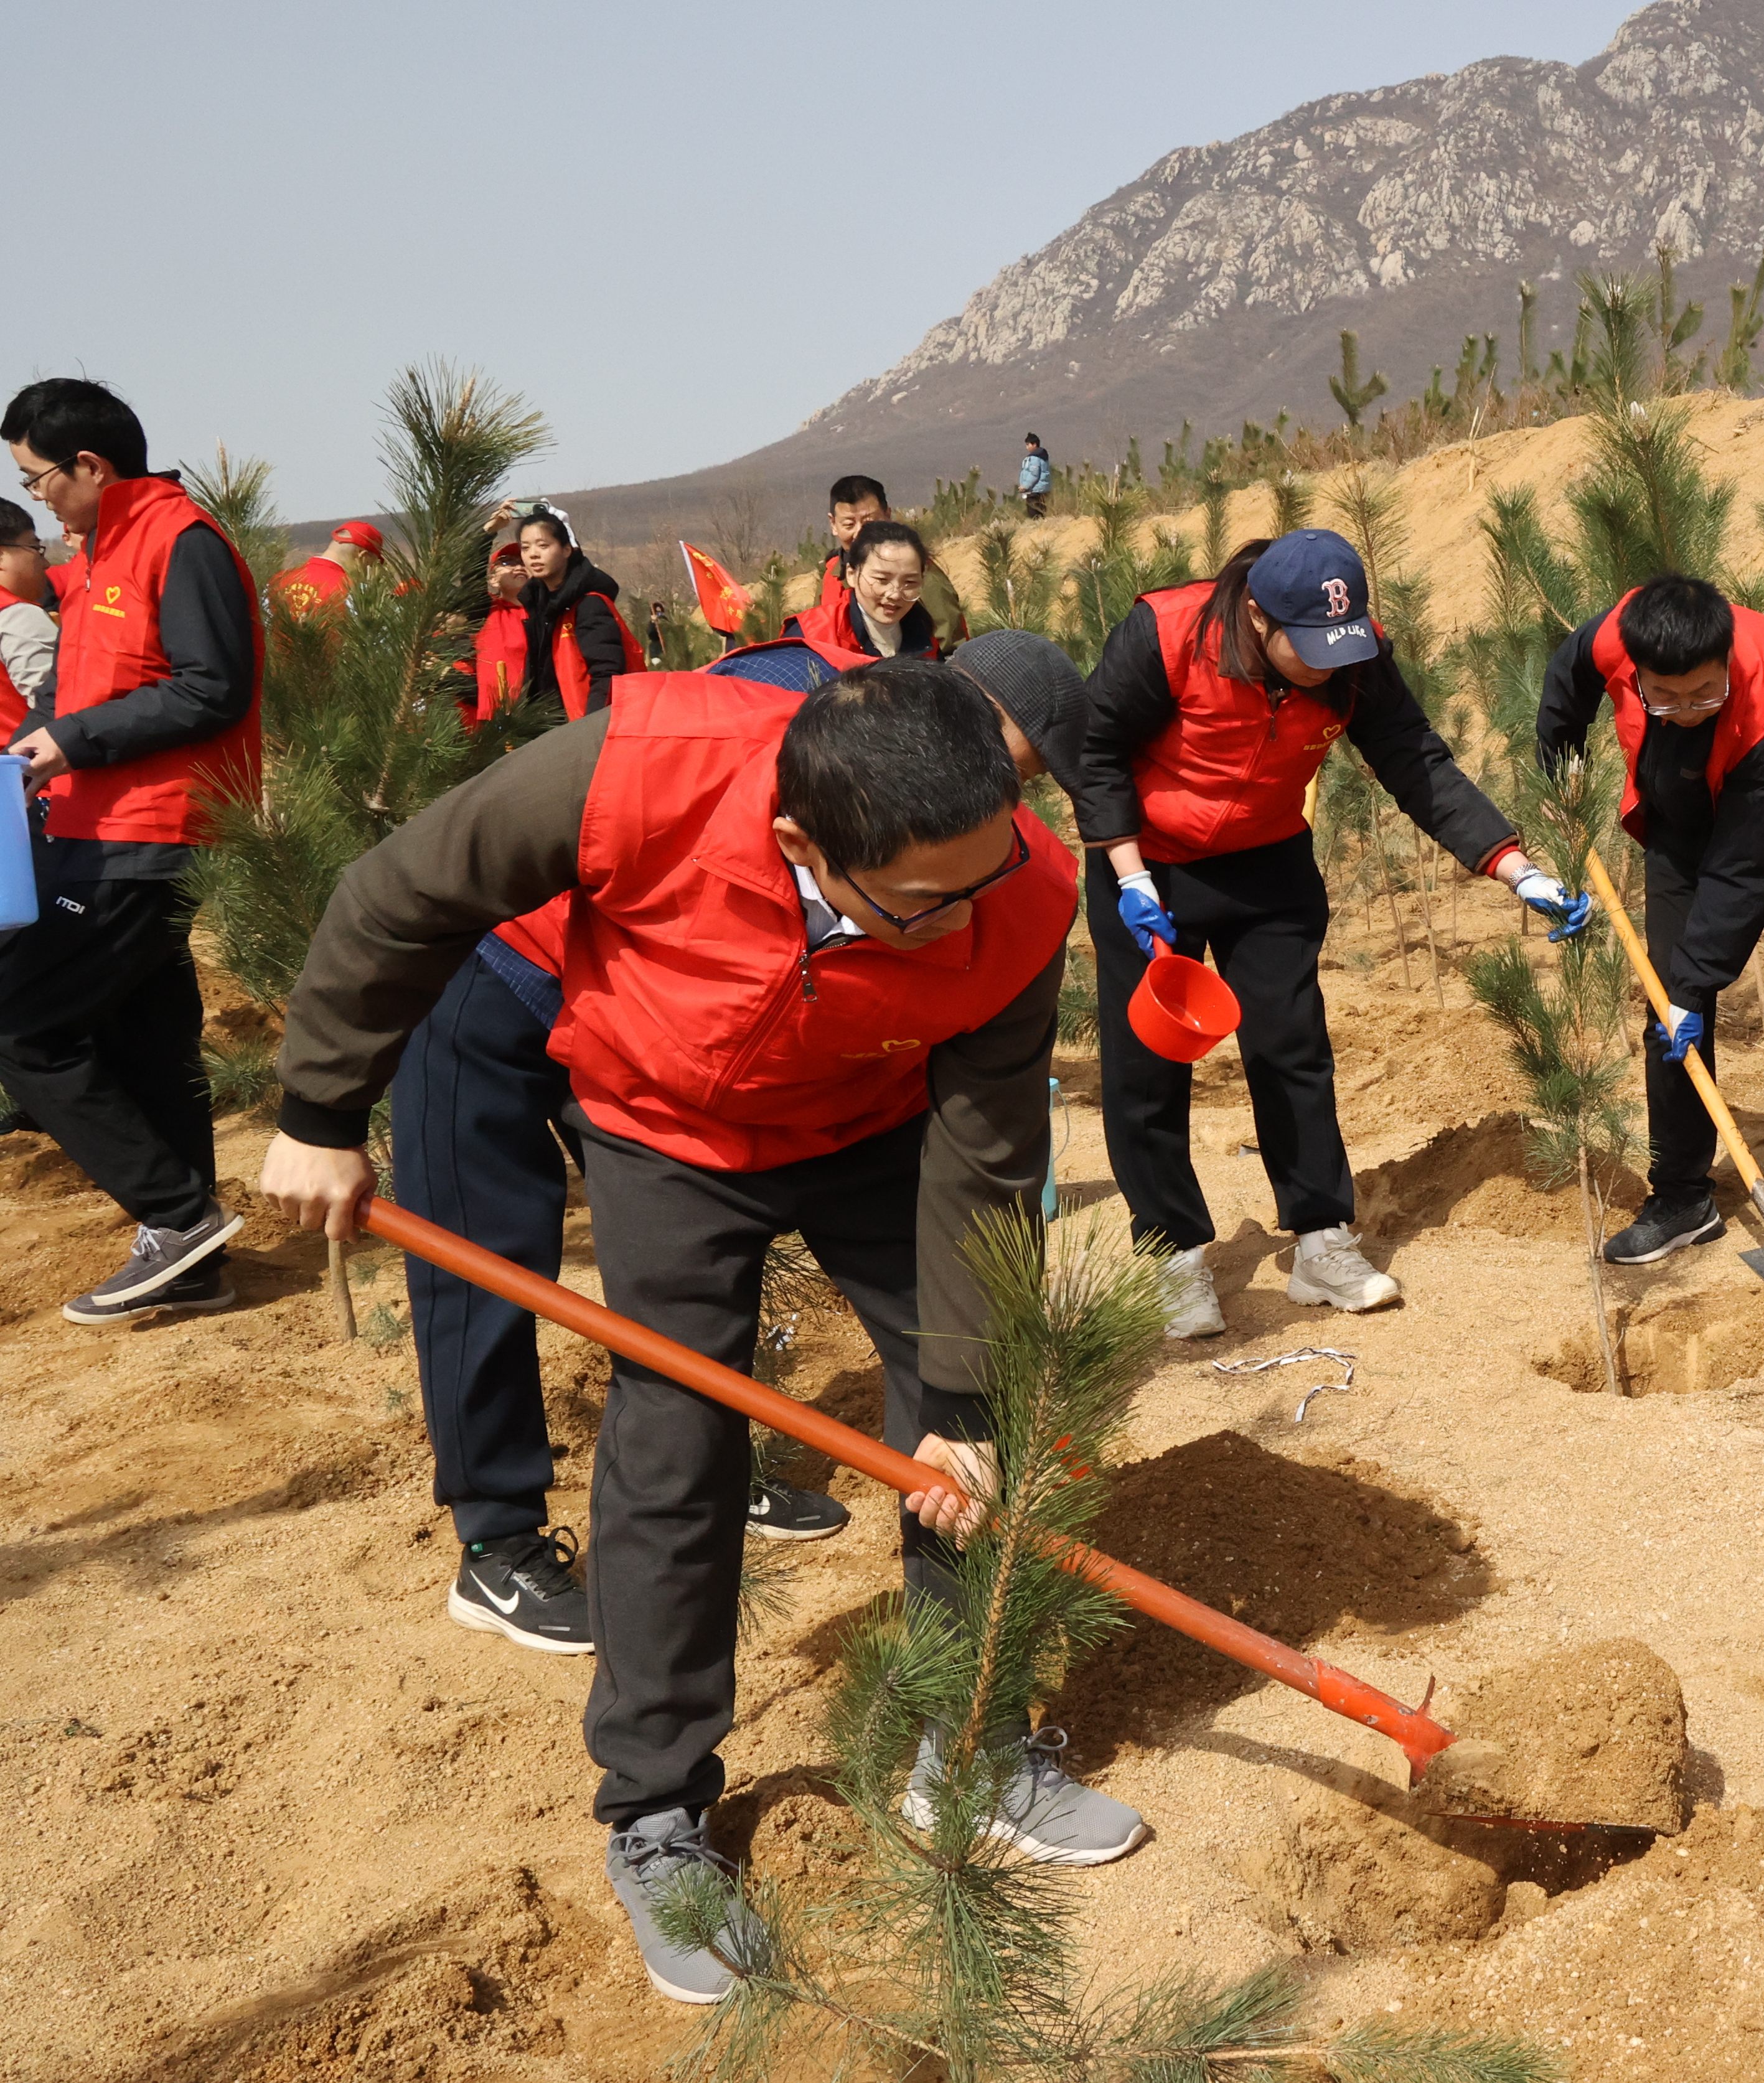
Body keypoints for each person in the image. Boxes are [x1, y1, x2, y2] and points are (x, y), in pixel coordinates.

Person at [263, 654, 1148, 2005]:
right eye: (922, 901)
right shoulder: (643, 763)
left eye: (984, 877)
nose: (961, 916)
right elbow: (402, 891)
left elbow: (985, 1153)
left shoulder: (1013, 894)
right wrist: (320, 1112)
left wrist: (962, 1403)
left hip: (873, 1126)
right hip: (662, 1125)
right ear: (802, 841)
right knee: (676, 1446)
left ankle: (964, 1745)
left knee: (984, 1408)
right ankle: (656, 1814)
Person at [388, 625, 1084, 1662]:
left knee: (692, 1270)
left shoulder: (947, 861)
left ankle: (725, 1454)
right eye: (1001, 767)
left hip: (695, 1021)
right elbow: (548, 828)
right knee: (486, 1258)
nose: (991, 817)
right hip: (517, 972)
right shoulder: (770, 708)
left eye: (1015, 794)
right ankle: (499, 1538)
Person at [1079, 527, 1588, 1337]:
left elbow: (1415, 759)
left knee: (1292, 1047)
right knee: (1148, 1065)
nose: (1325, 664)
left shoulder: (1351, 655)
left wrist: (1514, 866)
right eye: (1306, 647)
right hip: (1150, 864)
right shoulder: (1167, 632)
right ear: (1254, 614)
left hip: (1267, 862)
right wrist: (1131, 876)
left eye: (1339, 647)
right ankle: (1170, 1256)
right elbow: (1095, 749)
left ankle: (1321, 1240)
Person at [0, 378, 262, 1324]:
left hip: (149, 836)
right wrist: (35, 739)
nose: (38, 497)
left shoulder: (179, 539)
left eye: (39, 480)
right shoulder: (106, 547)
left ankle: (175, 1212)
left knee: (21, 1020)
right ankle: (191, 1261)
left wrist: (76, 740)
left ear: (91, 466)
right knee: (148, 1043)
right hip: (94, 827)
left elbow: (212, 689)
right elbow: (79, 688)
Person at [1538, 573, 1764, 1265]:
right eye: (1664, 695)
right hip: (1689, 812)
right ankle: (1682, 1196)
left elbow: (1747, 865)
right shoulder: (1614, 637)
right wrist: (1560, 769)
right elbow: (1566, 681)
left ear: (1726, 660)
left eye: (1705, 692)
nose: (1688, 707)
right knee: (1665, 1005)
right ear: (1638, 672)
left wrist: (1698, 986)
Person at [515, 507, 640, 717]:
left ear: (567, 549)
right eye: (525, 548)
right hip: (545, 727)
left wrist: (591, 729)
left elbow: (607, 674)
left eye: (543, 545)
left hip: (582, 728)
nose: (533, 554)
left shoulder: (589, 604)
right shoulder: (537, 606)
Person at [787, 520, 965, 660]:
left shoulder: (921, 629)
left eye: (910, 582)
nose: (895, 594)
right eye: (882, 580)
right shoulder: (812, 634)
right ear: (851, 574)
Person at [0, 497, 56, 740]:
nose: (45, 563)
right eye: (35, 548)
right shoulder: (17, 616)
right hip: (19, 769)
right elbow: (63, 708)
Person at [465, 538, 529, 723]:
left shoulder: (546, 613)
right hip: (495, 718)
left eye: (523, 562)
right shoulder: (487, 611)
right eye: (508, 562)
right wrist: (487, 534)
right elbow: (471, 576)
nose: (518, 567)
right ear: (493, 579)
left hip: (539, 717)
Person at [267, 519, 383, 617]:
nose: (368, 573)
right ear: (363, 556)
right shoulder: (354, 592)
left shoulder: (277, 580)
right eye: (371, 565)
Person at [816, 473, 890, 605]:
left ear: (888, 516)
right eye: (849, 525)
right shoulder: (830, 575)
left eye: (869, 523)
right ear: (833, 524)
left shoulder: (913, 570)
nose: (859, 533)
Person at [1018, 434, 1053, 519]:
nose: (1027, 447)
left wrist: (1025, 486)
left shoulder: (1035, 458)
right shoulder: (1042, 457)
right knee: (1042, 512)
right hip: (1042, 489)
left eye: (1028, 445)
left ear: (1034, 445)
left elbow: (1034, 474)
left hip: (1035, 491)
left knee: (1034, 515)